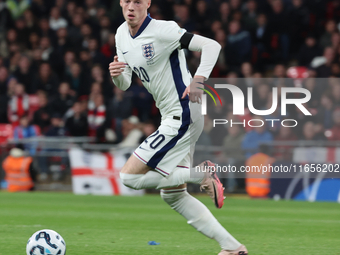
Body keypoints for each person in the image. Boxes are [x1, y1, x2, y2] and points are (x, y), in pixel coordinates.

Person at [109, 1, 247, 254]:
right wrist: (117, 74)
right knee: (173, 195)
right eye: (127, 0)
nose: (131, 6)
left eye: (137, 1)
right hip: (175, 116)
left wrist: (198, 79)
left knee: (128, 177)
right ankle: (232, 247)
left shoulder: (163, 30)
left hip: (181, 114)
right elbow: (126, 83)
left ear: (147, 3)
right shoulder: (121, 34)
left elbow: (211, 45)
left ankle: (201, 174)